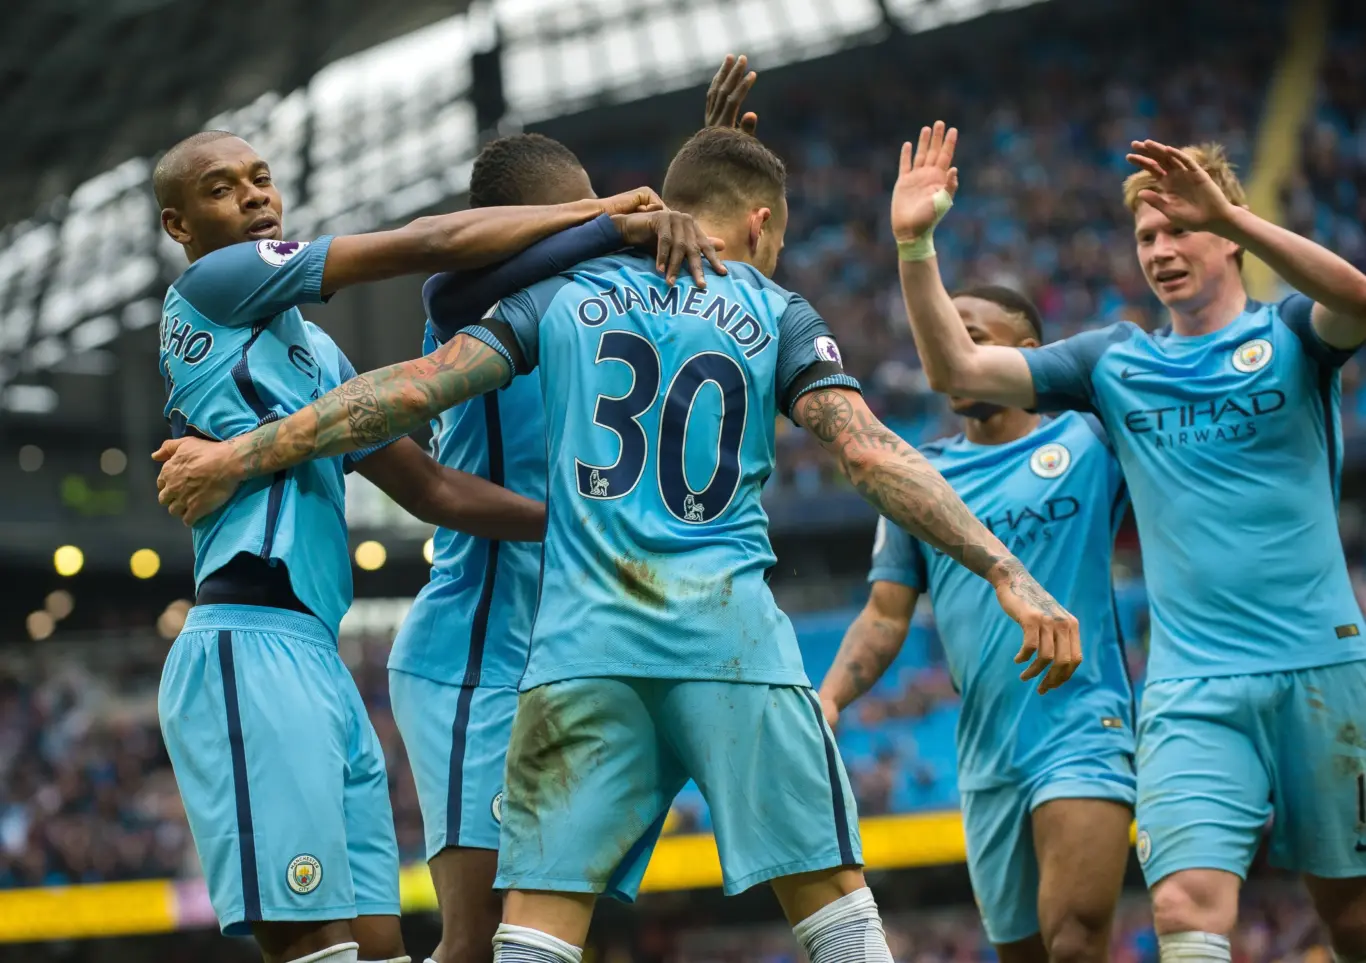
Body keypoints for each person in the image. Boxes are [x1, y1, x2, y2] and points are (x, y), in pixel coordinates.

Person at [151, 126, 1083, 963]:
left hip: (580, 650)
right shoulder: (769, 306)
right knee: (831, 903)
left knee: (529, 925)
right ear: (761, 226)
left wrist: (240, 453)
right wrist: (1006, 568)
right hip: (719, 643)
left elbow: (400, 398)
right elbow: (872, 452)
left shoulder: (552, 302)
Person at [150, 128, 721, 963]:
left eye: (262, 179)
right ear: (180, 225)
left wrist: (581, 522)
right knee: (319, 945)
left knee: (381, 945)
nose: (254, 196)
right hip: (245, 639)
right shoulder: (208, 287)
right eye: (222, 187)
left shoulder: (317, 356)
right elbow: (430, 244)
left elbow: (434, 489)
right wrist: (610, 212)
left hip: (319, 654)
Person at [891, 121, 1366, 963]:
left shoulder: (1292, 334)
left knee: (1351, 914)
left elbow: (1358, 301)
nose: (1159, 248)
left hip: (1323, 669)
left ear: (1224, 230)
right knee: (1184, 901)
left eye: (1180, 227)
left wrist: (1237, 220)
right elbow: (958, 372)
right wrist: (916, 245)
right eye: (1146, 234)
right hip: (1191, 688)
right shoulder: (1116, 361)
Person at [388, 54, 764, 963]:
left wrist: (705, 171)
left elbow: (702, 281)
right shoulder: (467, 305)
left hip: (571, 650)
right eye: (580, 204)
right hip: (475, 654)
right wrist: (620, 215)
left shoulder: (585, 308)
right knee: (476, 939)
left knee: (548, 929)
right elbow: (464, 274)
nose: (606, 217)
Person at [818, 283, 1136, 963]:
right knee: (1021, 952)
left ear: (1026, 355)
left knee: (1076, 938)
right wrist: (830, 697)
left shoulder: (1088, 437)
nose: (954, 349)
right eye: (947, 334)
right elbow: (884, 613)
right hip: (986, 751)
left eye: (974, 336)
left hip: (1083, 723)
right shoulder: (920, 475)